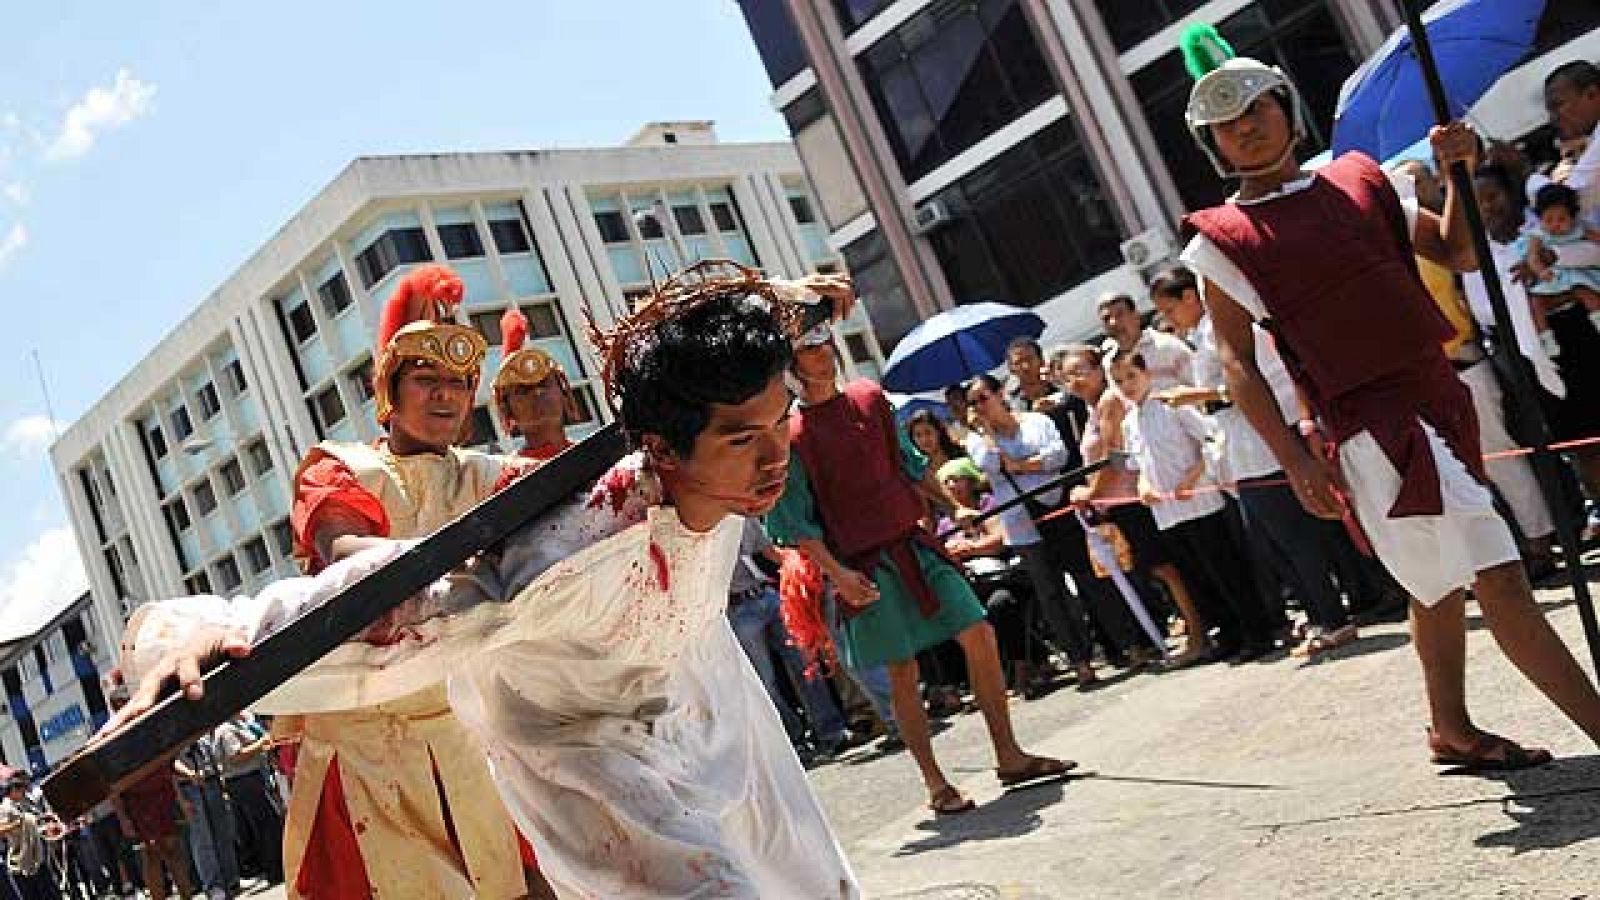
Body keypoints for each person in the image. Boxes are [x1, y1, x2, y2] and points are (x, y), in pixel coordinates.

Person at [113, 262, 863, 897]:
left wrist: (787, 301)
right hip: (531, 744)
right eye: (426, 378)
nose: (773, 460)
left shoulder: (518, 474)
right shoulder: (556, 542)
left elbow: (731, 363)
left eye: (458, 381)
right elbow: (394, 589)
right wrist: (200, 635)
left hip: (711, 714)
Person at [1177, 26, 1600, 766]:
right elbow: (1238, 364)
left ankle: (1452, 729)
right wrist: (1295, 460)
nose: (1245, 131)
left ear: (1286, 107)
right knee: (1498, 574)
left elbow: (1458, 249)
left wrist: (1457, 174)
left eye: (1256, 113)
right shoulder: (1220, 238)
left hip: (1439, 392)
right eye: (1226, 128)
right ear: (1212, 146)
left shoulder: (1359, 177)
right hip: (1371, 425)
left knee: (1434, 581)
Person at [768, 307, 1072, 817]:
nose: (825, 350)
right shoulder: (792, 436)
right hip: (861, 566)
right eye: (810, 345)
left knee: (980, 632)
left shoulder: (868, 397)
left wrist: (954, 507)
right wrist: (839, 575)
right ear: (794, 363)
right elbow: (795, 523)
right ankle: (935, 784)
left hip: (914, 545)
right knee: (903, 671)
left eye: (825, 340)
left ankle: (1010, 755)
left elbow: (909, 467)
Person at [1151, 267, 1361, 656]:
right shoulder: (1198, 337)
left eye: (1169, 308)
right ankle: (1318, 615)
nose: (1168, 319)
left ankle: (1334, 618)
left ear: (1190, 298)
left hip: (1262, 445)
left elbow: (1249, 383)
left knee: (1295, 539)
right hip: (1239, 451)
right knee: (1270, 544)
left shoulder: (1225, 329)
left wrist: (1194, 396)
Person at [1111, 351, 1274, 661]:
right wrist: (1145, 487)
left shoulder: (1171, 403)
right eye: (1119, 381)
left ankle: (1258, 634)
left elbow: (1211, 438)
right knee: (1197, 578)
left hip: (1200, 503)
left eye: (1131, 376)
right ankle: (1228, 635)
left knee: (1226, 571)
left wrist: (1193, 477)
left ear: (1145, 373)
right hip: (1168, 514)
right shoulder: (1130, 422)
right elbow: (1138, 465)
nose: (1127, 385)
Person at [1056, 344, 1212, 664]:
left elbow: (1115, 456)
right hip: (1118, 502)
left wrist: (1091, 492)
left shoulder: (1111, 401)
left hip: (1134, 496)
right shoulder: (1087, 411)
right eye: (1068, 376)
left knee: (1167, 569)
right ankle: (1194, 629)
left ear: (1100, 371)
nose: (1076, 380)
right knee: (1157, 570)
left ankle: (1200, 633)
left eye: (1082, 371)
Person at [726, 516, 856, 763]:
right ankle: (794, 739)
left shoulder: (740, 516)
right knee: (765, 682)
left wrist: (801, 560)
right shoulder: (699, 527)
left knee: (806, 665)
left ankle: (831, 730)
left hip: (766, 595)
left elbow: (769, 551)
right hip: (735, 609)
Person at [493, 306, 578, 461]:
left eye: (544, 384)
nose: (536, 393)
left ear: (564, 393)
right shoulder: (504, 477)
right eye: (523, 390)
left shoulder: (599, 455)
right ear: (507, 409)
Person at [175, 726, 241, 900]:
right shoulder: (170, 731)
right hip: (189, 787)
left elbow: (210, 754)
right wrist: (181, 799)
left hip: (211, 781)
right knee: (202, 839)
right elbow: (169, 766)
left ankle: (231, 878)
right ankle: (213, 886)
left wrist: (221, 783)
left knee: (223, 833)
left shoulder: (200, 724)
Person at [220, 713, 285, 886]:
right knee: (265, 824)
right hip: (243, 780)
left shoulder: (242, 724)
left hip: (254, 776)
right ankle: (274, 871)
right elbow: (235, 755)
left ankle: (277, 867)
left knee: (269, 822)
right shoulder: (227, 730)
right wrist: (260, 744)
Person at [1525, 183, 1600, 310]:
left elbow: (1597, 238)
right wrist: (1540, 270)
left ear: (1572, 217)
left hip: (1578, 273)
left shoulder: (1578, 229)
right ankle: (1544, 331)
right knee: (1535, 302)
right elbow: (1533, 257)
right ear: (1540, 218)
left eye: (1562, 219)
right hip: (1553, 274)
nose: (1555, 224)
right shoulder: (1538, 235)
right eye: (1548, 219)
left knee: (1586, 294)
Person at [0, 774, 61, 900]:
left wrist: (47, 826)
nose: (24, 792)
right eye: (21, 789)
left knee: (50, 891)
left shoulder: (24, 804)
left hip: (36, 854)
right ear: (13, 791)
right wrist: (19, 823)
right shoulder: (5, 808)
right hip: (22, 859)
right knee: (34, 894)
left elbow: (36, 821)